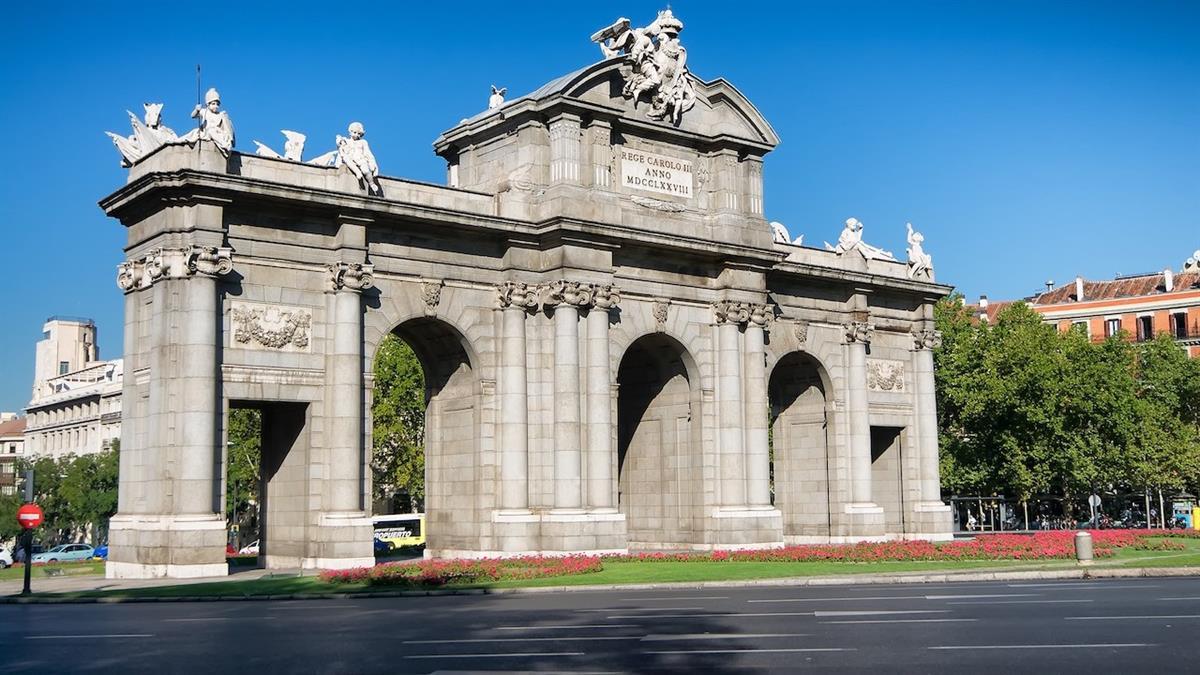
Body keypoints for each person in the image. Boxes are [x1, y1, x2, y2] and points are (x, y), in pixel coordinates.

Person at [181, 88, 235, 156]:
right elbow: (193, 116)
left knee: (212, 131)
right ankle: (224, 144)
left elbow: (227, 127)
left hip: (217, 133)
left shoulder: (220, 115)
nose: (216, 106)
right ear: (208, 104)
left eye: (217, 104)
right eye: (213, 104)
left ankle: (225, 145)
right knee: (198, 132)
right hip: (206, 132)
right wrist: (197, 110)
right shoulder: (204, 111)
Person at [336, 122, 383, 196]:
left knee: (366, 170)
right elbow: (340, 145)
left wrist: (372, 162)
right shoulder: (346, 141)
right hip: (351, 159)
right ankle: (358, 173)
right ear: (350, 132)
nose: (356, 135)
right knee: (346, 158)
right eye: (354, 132)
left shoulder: (363, 142)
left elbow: (368, 153)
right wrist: (339, 140)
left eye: (359, 134)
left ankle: (371, 183)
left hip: (361, 159)